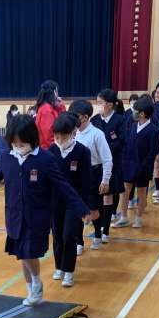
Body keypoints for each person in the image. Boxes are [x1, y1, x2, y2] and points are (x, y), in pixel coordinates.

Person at [0, 114, 91, 306]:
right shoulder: (7, 157)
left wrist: (82, 208)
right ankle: (31, 288)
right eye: (14, 143)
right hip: (14, 216)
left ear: (32, 139)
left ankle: (37, 283)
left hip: (36, 217)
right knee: (22, 255)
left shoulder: (45, 159)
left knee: (28, 253)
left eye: (22, 143)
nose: (18, 146)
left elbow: (63, 185)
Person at [49, 113, 91, 286]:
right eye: (57, 136)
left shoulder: (82, 152)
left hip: (74, 203)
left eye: (64, 136)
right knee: (57, 236)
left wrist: (85, 208)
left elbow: (86, 182)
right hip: (55, 202)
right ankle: (59, 266)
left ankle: (69, 271)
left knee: (68, 236)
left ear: (73, 132)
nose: (60, 140)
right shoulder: (51, 151)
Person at [69, 99, 113, 251]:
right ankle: (79, 242)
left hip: (93, 173)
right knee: (77, 209)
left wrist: (105, 180)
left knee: (93, 209)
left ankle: (98, 234)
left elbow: (107, 159)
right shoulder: (72, 133)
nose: (73, 119)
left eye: (76, 116)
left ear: (85, 117)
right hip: (75, 175)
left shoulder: (97, 134)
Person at [112, 97, 159, 228]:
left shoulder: (153, 130)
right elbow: (126, 145)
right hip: (129, 165)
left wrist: (143, 167)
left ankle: (138, 218)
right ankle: (123, 217)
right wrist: (124, 162)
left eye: (136, 110)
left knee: (141, 192)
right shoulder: (132, 126)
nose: (133, 112)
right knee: (125, 191)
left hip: (143, 168)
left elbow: (152, 153)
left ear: (143, 113)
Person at [91, 89, 125, 239]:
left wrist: (104, 150)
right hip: (95, 165)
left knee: (108, 195)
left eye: (101, 103)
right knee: (97, 195)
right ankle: (98, 224)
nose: (98, 105)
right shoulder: (94, 120)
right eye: (97, 102)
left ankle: (105, 230)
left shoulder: (120, 120)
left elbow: (121, 141)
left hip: (112, 163)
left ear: (110, 105)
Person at [35, 80, 66, 149]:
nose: (58, 95)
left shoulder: (49, 107)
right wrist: (58, 149)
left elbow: (64, 121)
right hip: (49, 149)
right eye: (57, 92)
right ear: (54, 92)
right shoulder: (46, 109)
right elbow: (48, 136)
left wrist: (60, 106)